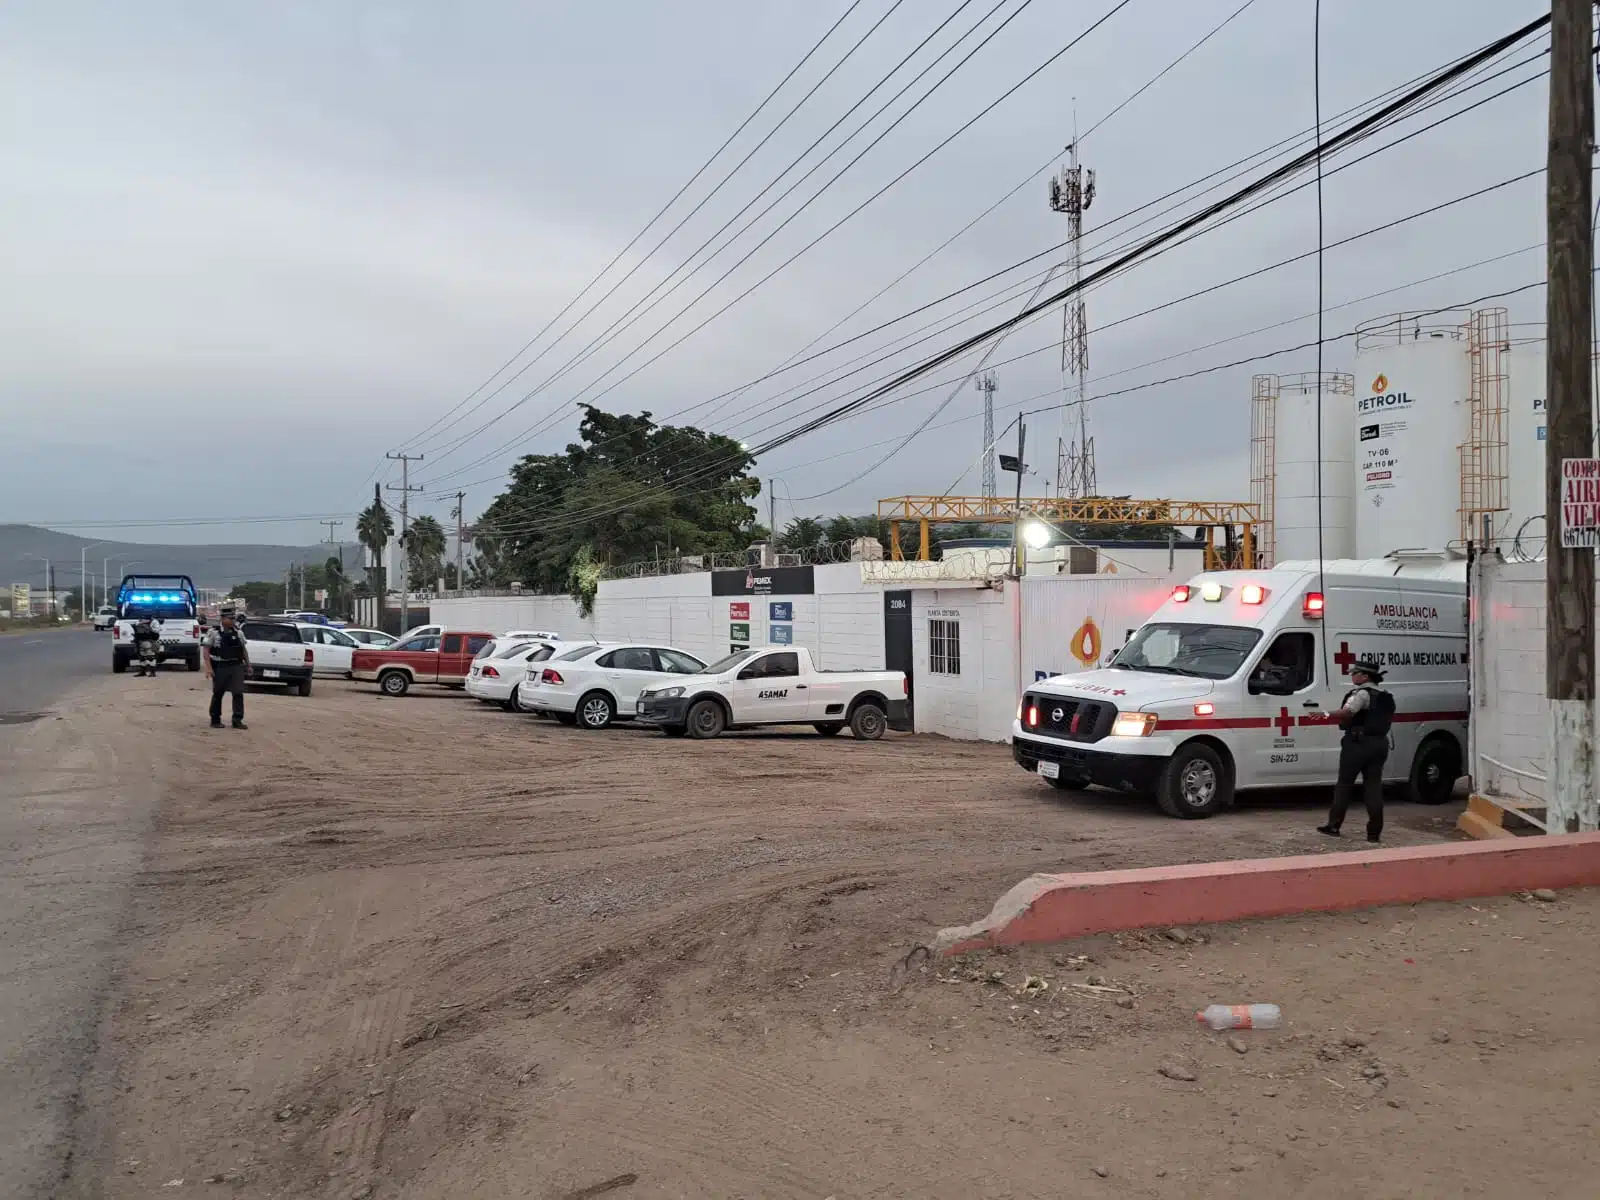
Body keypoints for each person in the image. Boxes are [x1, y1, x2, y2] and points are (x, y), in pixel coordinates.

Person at [1318, 658, 1395, 843]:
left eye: (1355, 673)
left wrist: (1325, 713)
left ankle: (1334, 825)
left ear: (1365, 676)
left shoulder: (1361, 694)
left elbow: (1348, 712)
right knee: (1373, 787)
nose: (1352, 675)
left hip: (1357, 744)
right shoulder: (1384, 695)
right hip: (1379, 743)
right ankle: (1374, 833)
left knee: (1344, 785)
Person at [203, 607, 250, 729]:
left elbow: (243, 650)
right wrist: (208, 668)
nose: (233, 620)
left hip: (236, 665)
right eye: (230, 618)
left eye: (233, 618)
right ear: (223, 619)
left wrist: (248, 664)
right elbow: (206, 650)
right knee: (218, 693)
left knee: (238, 692)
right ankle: (215, 719)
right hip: (220, 666)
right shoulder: (213, 632)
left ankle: (237, 720)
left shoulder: (238, 632)